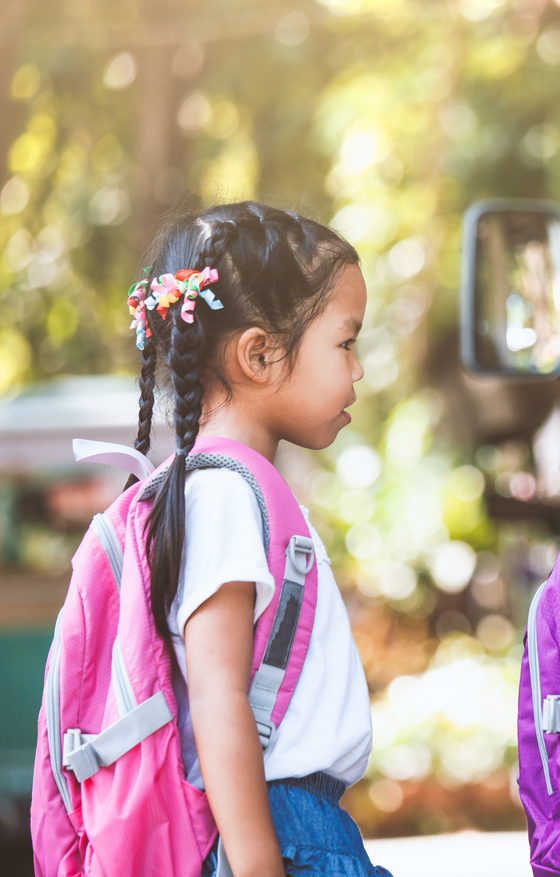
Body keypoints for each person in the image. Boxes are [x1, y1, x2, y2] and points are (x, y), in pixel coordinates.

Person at [127, 201, 387, 877]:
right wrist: (257, 864)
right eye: (345, 342)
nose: (356, 369)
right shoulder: (225, 497)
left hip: (303, 826)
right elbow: (218, 698)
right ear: (259, 352)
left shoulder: (235, 490)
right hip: (285, 833)